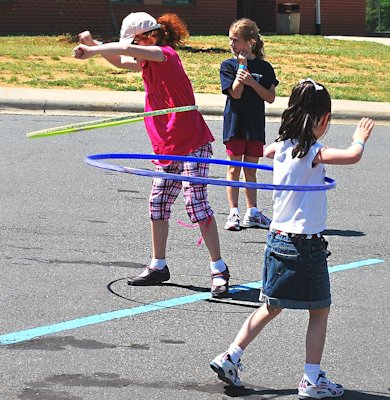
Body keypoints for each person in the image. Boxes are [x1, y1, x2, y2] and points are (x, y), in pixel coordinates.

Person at [210, 78, 374, 398]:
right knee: (320, 310)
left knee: (271, 306)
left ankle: (231, 355)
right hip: (304, 244)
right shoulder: (313, 152)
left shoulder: (278, 148)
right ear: (322, 120)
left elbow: (269, 150)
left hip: (277, 239)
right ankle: (312, 379)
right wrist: (360, 138)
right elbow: (353, 156)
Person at [74, 12, 230, 298]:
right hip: (167, 146)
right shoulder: (147, 63)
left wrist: (92, 49)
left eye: (136, 39)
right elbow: (122, 60)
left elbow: (125, 50)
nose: (133, 45)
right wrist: (94, 44)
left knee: (196, 205)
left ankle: (219, 270)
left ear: (151, 37)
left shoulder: (164, 54)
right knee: (158, 204)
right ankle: (159, 266)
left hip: (192, 143)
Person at [220, 18, 279, 231]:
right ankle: (233, 212)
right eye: (230, 40)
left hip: (255, 125)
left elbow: (270, 97)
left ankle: (252, 211)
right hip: (235, 125)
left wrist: (252, 81)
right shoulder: (228, 65)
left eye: (236, 40)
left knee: (251, 169)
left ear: (251, 42)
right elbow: (235, 93)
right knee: (234, 167)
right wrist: (241, 68)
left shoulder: (264, 68)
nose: (232, 44)